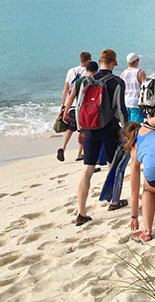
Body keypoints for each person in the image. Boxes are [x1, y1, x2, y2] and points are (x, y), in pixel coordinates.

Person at [74, 49, 128, 226]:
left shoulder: (86, 81)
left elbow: (80, 105)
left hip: (89, 129)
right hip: (109, 128)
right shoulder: (117, 82)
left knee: (87, 169)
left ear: (99, 61)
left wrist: (80, 129)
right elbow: (120, 109)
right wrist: (127, 129)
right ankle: (114, 201)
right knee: (114, 166)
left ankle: (81, 212)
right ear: (115, 62)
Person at [57, 51, 90, 162]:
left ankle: (63, 147)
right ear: (88, 60)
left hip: (70, 105)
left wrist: (64, 104)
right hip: (81, 105)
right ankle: (80, 154)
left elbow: (66, 89)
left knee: (70, 128)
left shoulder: (71, 71)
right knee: (82, 130)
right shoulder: (88, 73)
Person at [120, 52, 146, 123]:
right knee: (136, 126)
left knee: (127, 126)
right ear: (136, 61)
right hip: (136, 102)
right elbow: (145, 88)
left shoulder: (123, 73)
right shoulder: (140, 72)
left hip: (126, 102)